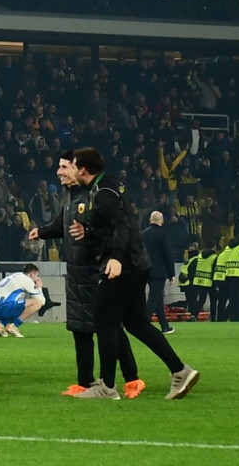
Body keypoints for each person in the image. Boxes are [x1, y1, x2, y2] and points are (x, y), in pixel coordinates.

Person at [68, 147, 199, 400]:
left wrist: (116, 257)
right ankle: (180, 370)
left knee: (104, 321)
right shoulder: (108, 186)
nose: (70, 170)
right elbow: (113, 225)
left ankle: (107, 387)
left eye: (72, 166)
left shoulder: (102, 193)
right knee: (136, 323)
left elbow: (122, 224)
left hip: (123, 266)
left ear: (82, 170)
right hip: (137, 264)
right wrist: (89, 231)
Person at [30, 152, 144, 398]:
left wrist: (91, 234)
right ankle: (84, 382)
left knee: (110, 327)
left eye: (63, 167)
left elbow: (108, 231)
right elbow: (61, 225)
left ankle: (132, 378)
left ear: (77, 168)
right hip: (76, 272)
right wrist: (42, 232)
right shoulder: (71, 197)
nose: (59, 172)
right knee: (79, 328)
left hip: (95, 271)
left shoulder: (93, 196)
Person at [0, 264, 45, 337]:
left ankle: (0, 326)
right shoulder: (27, 280)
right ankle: (14, 326)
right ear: (32, 274)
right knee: (37, 303)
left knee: (17, 302)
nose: (36, 279)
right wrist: (39, 288)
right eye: (36, 276)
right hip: (3, 309)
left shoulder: (15, 276)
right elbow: (42, 302)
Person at [141, 211, 176, 333]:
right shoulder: (163, 234)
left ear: (150, 220)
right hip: (159, 271)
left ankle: (164, 326)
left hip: (144, 269)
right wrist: (171, 273)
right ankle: (143, 323)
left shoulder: (142, 235)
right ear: (161, 221)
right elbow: (168, 255)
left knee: (158, 299)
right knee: (153, 298)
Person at [217, 236, 239, 322]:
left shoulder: (227, 250)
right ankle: (237, 318)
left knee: (232, 300)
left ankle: (225, 318)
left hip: (227, 277)